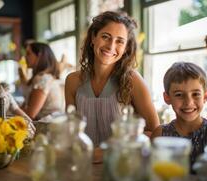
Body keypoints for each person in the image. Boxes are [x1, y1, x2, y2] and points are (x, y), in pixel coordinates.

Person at [65, 11, 159, 147]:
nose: (111, 46)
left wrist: (106, 153)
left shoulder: (132, 80)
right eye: (105, 37)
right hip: (82, 162)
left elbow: (155, 132)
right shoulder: (72, 81)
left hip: (121, 165)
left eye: (120, 41)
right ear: (93, 38)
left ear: (126, 48)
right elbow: (70, 130)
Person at [151, 62, 207, 181]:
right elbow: (152, 177)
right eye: (179, 94)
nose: (188, 102)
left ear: (205, 96)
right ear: (167, 97)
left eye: (196, 94)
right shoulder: (159, 135)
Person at [19, 42, 64, 120]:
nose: (25, 57)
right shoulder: (44, 76)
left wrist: (11, 107)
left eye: (28, 54)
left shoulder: (42, 79)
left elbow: (30, 114)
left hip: (46, 128)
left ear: (39, 56)